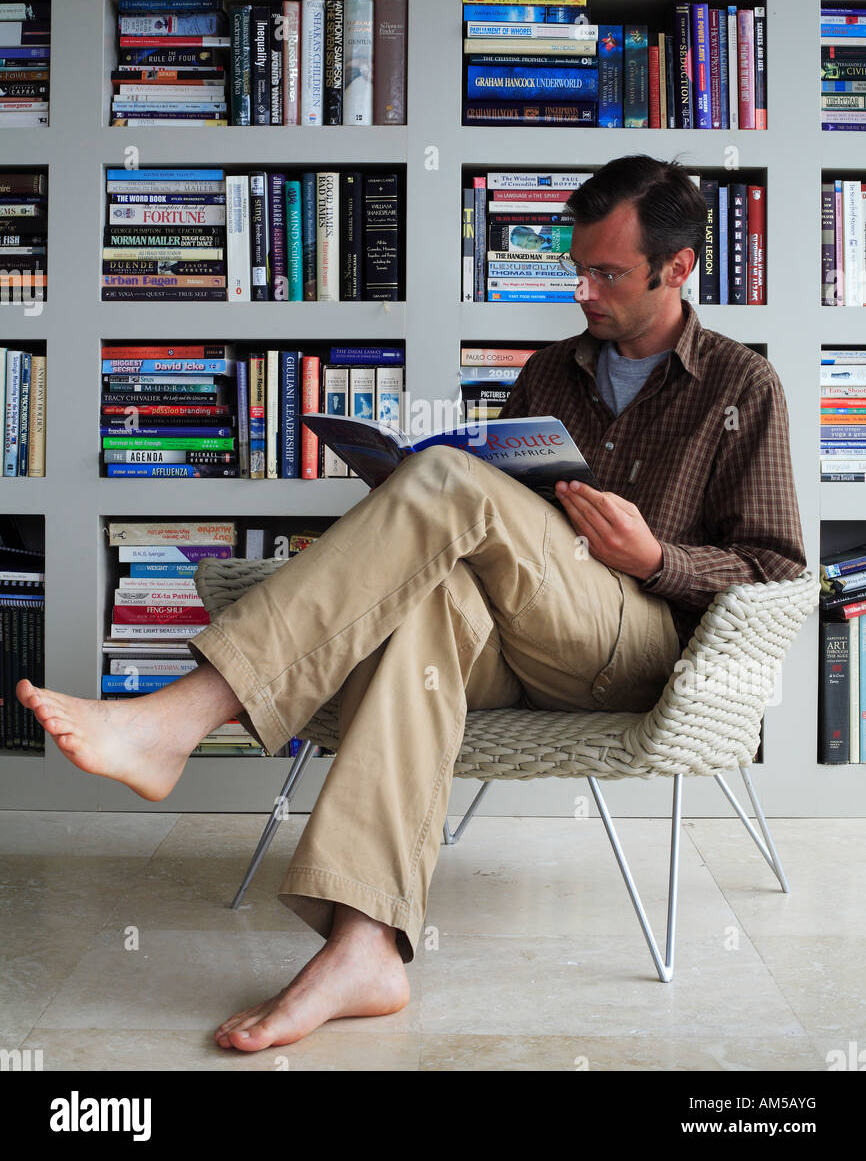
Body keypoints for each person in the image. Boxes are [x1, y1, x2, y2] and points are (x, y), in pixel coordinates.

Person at [16, 154, 807, 1053]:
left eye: (609, 274)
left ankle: (185, 713)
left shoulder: (745, 386)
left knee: (448, 483)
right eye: (577, 268)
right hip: (522, 638)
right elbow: (505, 506)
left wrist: (658, 557)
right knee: (425, 616)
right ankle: (364, 949)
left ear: (679, 268)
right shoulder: (552, 373)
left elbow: (778, 570)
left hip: (636, 647)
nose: (583, 291)